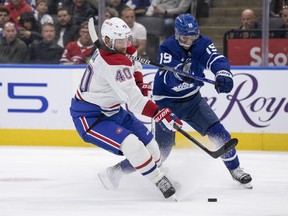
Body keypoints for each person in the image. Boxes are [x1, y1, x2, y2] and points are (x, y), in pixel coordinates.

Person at [70, 17, 183, 199]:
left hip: (114, 111)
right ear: (108, 41)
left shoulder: (119, 47)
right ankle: (159, 180)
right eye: (120, 41)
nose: (125, 44)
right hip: (90, 117)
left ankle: (112, 174)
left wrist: (138, 81)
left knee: (153, 149)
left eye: (126, 39)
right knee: (133, 144)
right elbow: (135, 101)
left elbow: (134, 59)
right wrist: (159, 114)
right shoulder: (110, 62)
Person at [152, 13, 253, 188]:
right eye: (185, 37)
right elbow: (167, 78)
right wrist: (181, 74)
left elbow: (216, 59)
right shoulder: (168, 47)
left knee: (220, 134)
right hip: (166, 102)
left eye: (193, 36)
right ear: (177, 35)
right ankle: (146, 174)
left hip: (193, 100)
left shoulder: (203, 43)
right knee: (162, 149)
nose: (190, 41)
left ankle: (235, 169)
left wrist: (223, 73)